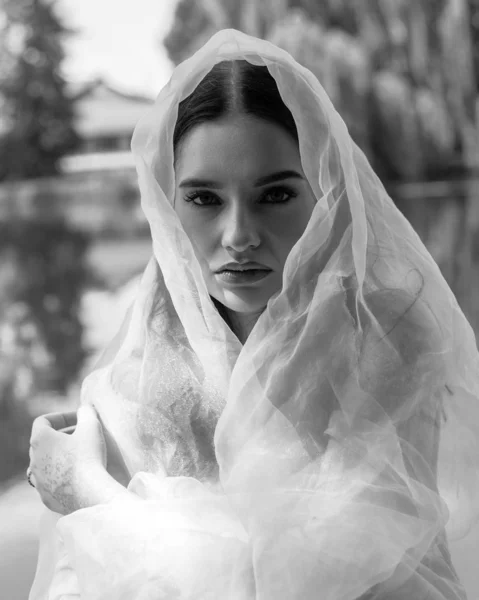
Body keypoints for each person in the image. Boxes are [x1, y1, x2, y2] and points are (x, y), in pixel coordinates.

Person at [27, 29, 479, 599]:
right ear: (168, 206)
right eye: (204, 199)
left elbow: (303, 582)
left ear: (326, 195)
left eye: (275, 195)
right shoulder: (138, 367)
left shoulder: (391, 339)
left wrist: (87, 490)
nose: (239, 235)